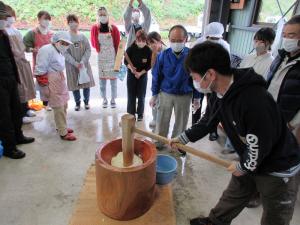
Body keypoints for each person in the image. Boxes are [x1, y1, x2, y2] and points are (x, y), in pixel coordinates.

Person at [170, 41, 300, 225]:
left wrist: (245, 166)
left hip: (277, 166)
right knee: (234, 194)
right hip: (251, 156)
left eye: (195, 76)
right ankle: (215, 222)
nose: (195, 81)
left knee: (275, 214)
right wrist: (183, 138)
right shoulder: (218, 91)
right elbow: (208, 121)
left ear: (211, 74)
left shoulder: (253, 100)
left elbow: (259, 143)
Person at [150, 25, 200, 149]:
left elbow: (197, 78)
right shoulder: (163, 55)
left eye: (179, 40)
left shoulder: (192, 56)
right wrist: (154, 95)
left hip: (185, 94)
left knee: (181, 123)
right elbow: (156, 76)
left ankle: (177, 145)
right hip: (166, 93)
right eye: (173, 40)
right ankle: (159, 142)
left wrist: (197, 98)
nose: (176, 43)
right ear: (168, 39)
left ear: (186, 39)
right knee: (162, 120)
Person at [0, 1, 34, 159]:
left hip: (10, 76)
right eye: (2, 16)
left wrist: (15, 77)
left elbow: (10, 58)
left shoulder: (4, 34)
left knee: (15, 109)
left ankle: (18, 136)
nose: (4, 20)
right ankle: (9, 147)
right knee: (4, 114)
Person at [34, 31, 76, 141]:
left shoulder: (59, 51)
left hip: (59, 78)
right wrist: (44, 86)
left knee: (64, 104)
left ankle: (61, 126)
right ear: (56, 41)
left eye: (67, 44)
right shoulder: (46, 50)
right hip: (50, 80)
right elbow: (40, 69)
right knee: (58, 107)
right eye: (63, 43)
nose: (65, 46)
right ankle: (63, 133)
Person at [267, 15, 300, 146]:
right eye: (284, 35)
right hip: (270, 113)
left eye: (291, 36)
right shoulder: (280, 57)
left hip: (289, 123)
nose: (286, 39)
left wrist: (292, 123)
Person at [195, 22, 231, 142]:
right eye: (212, 38)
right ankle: (195, 126)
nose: (214, 40)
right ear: (206, 36)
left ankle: (212, 130)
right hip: (200, 77)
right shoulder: (198, 44)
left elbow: (226, 65)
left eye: (217, 38)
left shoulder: (225, 46)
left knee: (213, 106)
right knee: (196, 103)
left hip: (214, 80)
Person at [5, 5, 36, 124]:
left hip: (22, 62)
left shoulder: (16, 30)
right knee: (19, 89)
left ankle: (26, 108)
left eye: (12, 16)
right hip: (14, 64)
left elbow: (22, 47)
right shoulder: (4, 32)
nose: (10, 18)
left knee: (27, 86)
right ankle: (20, 114)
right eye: (7, 16)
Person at [91, 7, 120, 108]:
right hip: (102, 57)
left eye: (104, 14)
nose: (102, 17)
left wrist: (118, 59)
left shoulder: (114, 28)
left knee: (113, 81)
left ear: (108, 15)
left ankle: (113, 99)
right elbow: (94, 44)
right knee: (102, 81)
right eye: (100, 15)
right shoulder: (95, 28)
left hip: (112, 57)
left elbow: (117, 44)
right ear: (98, 16)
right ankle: (104, 99)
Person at [23, 10, 53, 111]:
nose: (46, 21)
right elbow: (24, 46)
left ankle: (51, 101)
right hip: (39, 63)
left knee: (52, 83)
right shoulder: (32, 33)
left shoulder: (51, 33)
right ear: (39, 19)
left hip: (51, 63)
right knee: (43, 84)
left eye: (48, 19)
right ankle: (45, 103)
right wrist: (33, 49)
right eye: (44, 19)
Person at [64, 14, 95, 111]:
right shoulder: (65, 37)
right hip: (72, 66)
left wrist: (82, 61)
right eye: (70, 22)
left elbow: (88, 49)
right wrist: (75, 63)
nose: (72, 24)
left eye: (74, 21)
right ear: (68, 24)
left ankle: (86, 102)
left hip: (83, 64)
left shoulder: (82, 36)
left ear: (78, 23)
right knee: (75, 85)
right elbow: (65, 52)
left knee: (86, 83)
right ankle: (77, 103)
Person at [125, 30, 152, 121]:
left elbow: (149, 65)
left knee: (141, 95)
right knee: (131, 95)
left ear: (146, 41)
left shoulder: (148, 50)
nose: (141, 43)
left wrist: (140, 73)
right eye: (139, 40)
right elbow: (125, 61)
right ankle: (131, 113)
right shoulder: (131, 48)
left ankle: (140, 114)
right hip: (131, 74)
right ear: (136, 40)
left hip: (143, 74)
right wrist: (132, 69)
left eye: (143, 41)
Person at [146, 31, 165, 128]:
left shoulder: (166, 51)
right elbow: (152, 67)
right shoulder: (152, 52)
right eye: (149, 43)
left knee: (161, 102)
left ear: (159, 40)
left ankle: (160, 120)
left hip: (164, 82)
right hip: (155, 80)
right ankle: (154, 118)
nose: (151, 45)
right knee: (154, 99)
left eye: (153, 42)